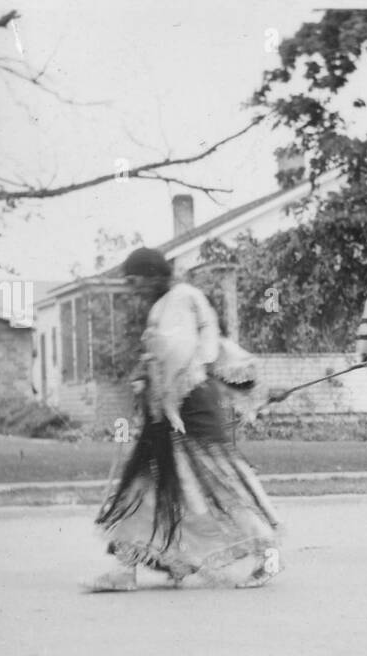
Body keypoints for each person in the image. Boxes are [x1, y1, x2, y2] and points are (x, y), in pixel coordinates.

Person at [86, 248, 282, 592]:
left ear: (153, 275)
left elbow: (177, 352)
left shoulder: (179, 299)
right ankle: (128, 568)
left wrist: (153, 381)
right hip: (169, 407)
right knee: (145, 490)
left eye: (136, 281)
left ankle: (267, 553)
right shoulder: (173, 300)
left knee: (217, 488)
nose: (134, 289)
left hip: (185, 407)